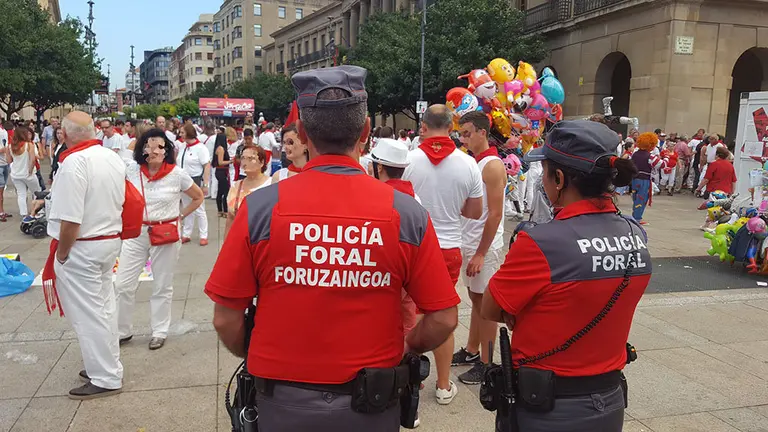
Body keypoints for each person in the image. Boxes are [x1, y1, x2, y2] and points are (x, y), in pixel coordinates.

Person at [205, 66, 460, 431]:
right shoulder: (406, 214)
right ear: (366, 131)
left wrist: (257, 352)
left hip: (282, 403)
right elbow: (444, 317)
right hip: (371, 403)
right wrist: (407, 346)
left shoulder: (260, 208)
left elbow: (225, 318)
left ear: (304, 134)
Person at [481, 120, 649, 432]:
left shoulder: (542, 242)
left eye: (545, 172)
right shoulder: (635, 234)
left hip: (548, 409)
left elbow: (490, 308)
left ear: (559, 178)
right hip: (609, 400)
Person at [43, 111, 127, 400]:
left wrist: (62, 254)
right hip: (107, 241)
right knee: (104, 308)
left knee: (89, 315)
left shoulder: (73, 163)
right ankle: (107, 366)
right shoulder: (111, 157)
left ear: (63, 135)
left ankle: (105, 375)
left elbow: (70, 220)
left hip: (84, 246)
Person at [403, 104, 483, 405]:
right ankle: (444, 383)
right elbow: (475, 212)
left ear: (423, 126)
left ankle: (413, 378)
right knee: (443, 316)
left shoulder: (408, 160)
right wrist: (451, 209)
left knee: (411, 312)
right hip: (449, 246)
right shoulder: (468, 164)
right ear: (451, 127)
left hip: (412, 244)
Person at [116, 129, 204, 351]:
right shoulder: (131, 170)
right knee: (123, 284)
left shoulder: (177, 173)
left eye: (159, 146)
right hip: (136, 234)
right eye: (148, 145)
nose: (154, 150)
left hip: (165, 234)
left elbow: (198, 197)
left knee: (162, 285)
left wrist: (180, 217)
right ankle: (121, 331)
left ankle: (159, 331)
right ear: (141, 149)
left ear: (167, 151)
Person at [452, 111, 506, 386]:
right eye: (461, 133)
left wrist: (482, 252)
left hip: (483, 246)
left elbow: (495, 214)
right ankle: (473, 351)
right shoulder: (476, 162)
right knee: (475, 301)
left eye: (467, 133)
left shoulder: (493, 166)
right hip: (470, 242)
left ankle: (487, 362)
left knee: (485, 305)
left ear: (482, 132)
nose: (463, 138)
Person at [224, 145, 271, 237]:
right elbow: (230, 218)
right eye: (243, 158)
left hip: (261, 239)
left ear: (261, 162)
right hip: (239, 238)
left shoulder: (271, 184)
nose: (245, 162)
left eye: (251, 158)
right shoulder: (236, 186)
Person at [176, 124, 210, 246]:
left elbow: (207, 165)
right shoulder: (182, 146)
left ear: (189, 133)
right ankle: (186, 233)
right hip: (182, 181)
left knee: (199, 209)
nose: (180, 135)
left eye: (182, 132)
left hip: (195, 180)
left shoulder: (201, 148)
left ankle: (203, 234)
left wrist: (206, 184)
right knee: (186, 206)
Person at [8, 126, 40, 218]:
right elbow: (32, 160)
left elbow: (9, 160)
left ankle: (23, 214)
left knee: (21, 194)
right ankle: (36, 212)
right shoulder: (29, 145)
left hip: (16, 174)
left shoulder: (10, 146)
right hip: (27, 173)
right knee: (37, 192)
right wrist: (30, 170)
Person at [212, 134, 232, 217]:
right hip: (222, 171)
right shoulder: (221, 149)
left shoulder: (217, 148)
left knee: (220, 190)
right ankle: (225, 210)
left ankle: (220, 210)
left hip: (219, 171)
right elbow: (220, 162)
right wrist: (230, 161)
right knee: (226, 191)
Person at [0, 121, 9, 221]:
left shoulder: (4, 131)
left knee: (2, 189)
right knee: (0, 190)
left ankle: (2, 210)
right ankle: (1, 211)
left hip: (5, 163)